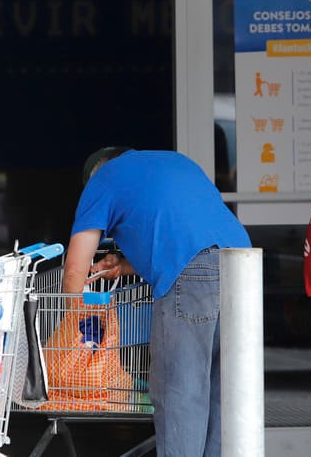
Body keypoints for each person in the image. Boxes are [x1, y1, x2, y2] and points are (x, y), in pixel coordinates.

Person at [62, 148, 252, 457]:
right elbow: (194, 233)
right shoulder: (177, 162)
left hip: (193, 273)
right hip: (244, 267)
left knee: (180, 390)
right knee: (223, 392)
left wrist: (72, 333)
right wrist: (126, 265)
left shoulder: (101, 180)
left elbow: (75, 268)